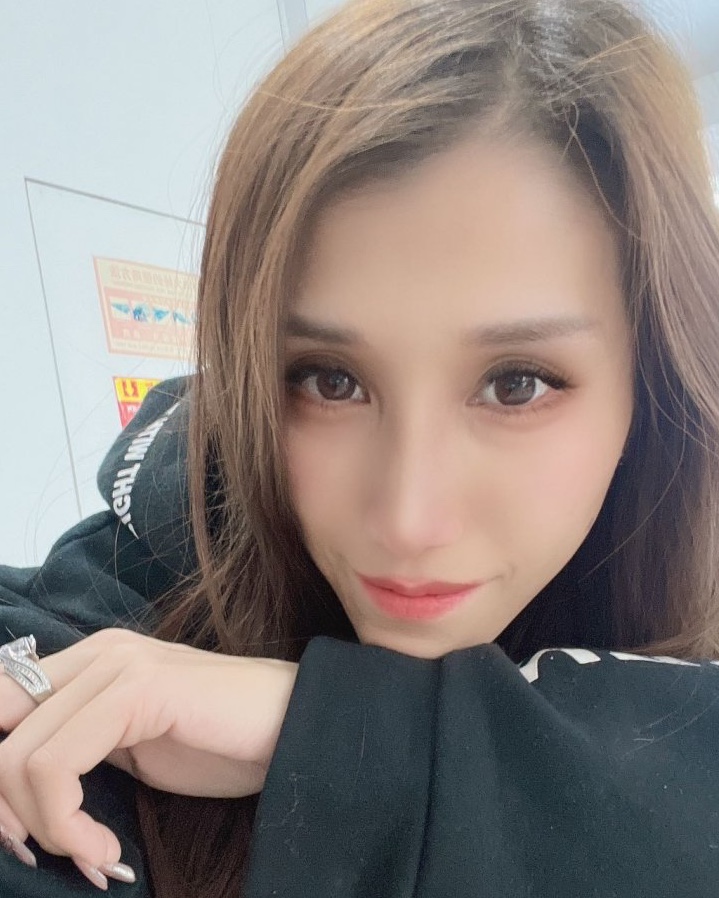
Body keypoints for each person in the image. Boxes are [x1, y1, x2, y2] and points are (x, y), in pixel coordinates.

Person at [2, 0, 719, 894]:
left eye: (516, 384)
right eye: (329, 380)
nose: (409, 519)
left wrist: (330, 733)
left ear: (650, 388)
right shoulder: (148, 575)